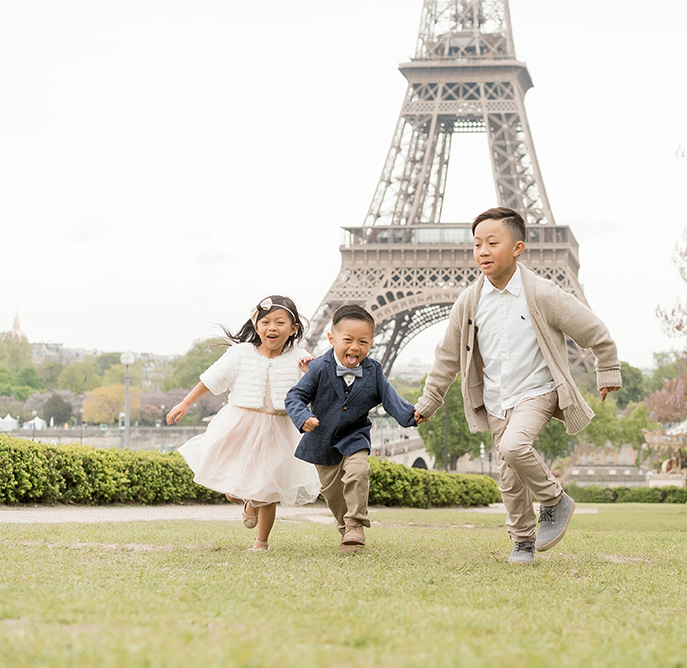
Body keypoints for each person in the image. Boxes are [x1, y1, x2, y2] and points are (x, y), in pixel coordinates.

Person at [413, 206, 621, 565]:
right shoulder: (469, 301)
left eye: (493, 242)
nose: (483, 251)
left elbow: (592, 329)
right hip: (496, 397)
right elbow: (447, 357)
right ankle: (523, 540)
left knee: (513, 447)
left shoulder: (542, 293)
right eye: (477, 244)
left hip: (538, 390)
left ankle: (554, 500)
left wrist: (608, 369)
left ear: (518, 248)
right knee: (508, 477)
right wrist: (430, 400)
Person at [166, 296, 321, 553]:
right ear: (256, 324)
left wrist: (309, 371)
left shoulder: (301, 357)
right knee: (233, 488)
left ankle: (261, 542)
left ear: (293, 329)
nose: (272, 327)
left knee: (268, 490)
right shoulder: (240, 354)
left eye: (280, 322)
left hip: (279, 429)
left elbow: (318, 387)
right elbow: (211, 379)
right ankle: (248, 501)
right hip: (240, 425)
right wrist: (185, 403)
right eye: (266, 321)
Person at [284, 304, 417, 555]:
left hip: (355, 436)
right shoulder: (318, 367)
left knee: (358, 471)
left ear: (372, 343)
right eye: (348, 340)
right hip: (321, 440)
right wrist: (303, 418)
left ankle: (356, 523)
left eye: (363, 342)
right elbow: (295, 397)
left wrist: (411, 415)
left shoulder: (373, 370)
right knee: (333, 494)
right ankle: (346, 529)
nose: (355, 347)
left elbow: (389, 398)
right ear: (331, 338)